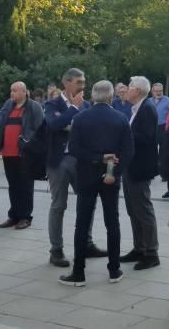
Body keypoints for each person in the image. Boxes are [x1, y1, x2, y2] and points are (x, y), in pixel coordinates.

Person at [59, 81, 133, 287]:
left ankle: (79, 272)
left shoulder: (80, 118)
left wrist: (96, 158)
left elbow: (73, 148)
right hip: (110, 178)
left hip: (86, 176)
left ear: (92, 97)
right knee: (113, 223)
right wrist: (114, 172)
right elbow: (128, 152)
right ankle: (114, 269)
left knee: (82, 223)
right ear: (111, 97)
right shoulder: (121, 118)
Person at [44, 68, 106, 268]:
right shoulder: (52, 104)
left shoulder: (88, 105)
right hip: (59, 161)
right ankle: (56, 250)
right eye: (79, 82)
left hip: (81, 161)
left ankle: (86, 244)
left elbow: (91, 130)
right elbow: (54, 125)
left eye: (84, 82)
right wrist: (73, 110)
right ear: (67, 83)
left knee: (88, 200)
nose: (83, 86)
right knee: (58, 205)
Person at [119, 76, 161, 270]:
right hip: (130, 166)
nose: (126, 90)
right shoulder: (135, 109)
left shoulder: (147, 109)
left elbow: (145, 137)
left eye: (130, 87)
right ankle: (139, 247)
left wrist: (122, 133)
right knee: (132, 208)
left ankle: (151, 252)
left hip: (140, 167)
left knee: (143, 209)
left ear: (138, 91)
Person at [0, 81, 44, 230]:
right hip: (8, 153)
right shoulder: (8, 105)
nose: (12, 93)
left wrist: (32, 146)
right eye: (11, 90)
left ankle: (25, 217)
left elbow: (41, 129)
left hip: (25, 153)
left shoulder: (34, 107)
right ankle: (14, 216)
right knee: (13, 185)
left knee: (26, 185)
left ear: (24, 92)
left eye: (15, 90)